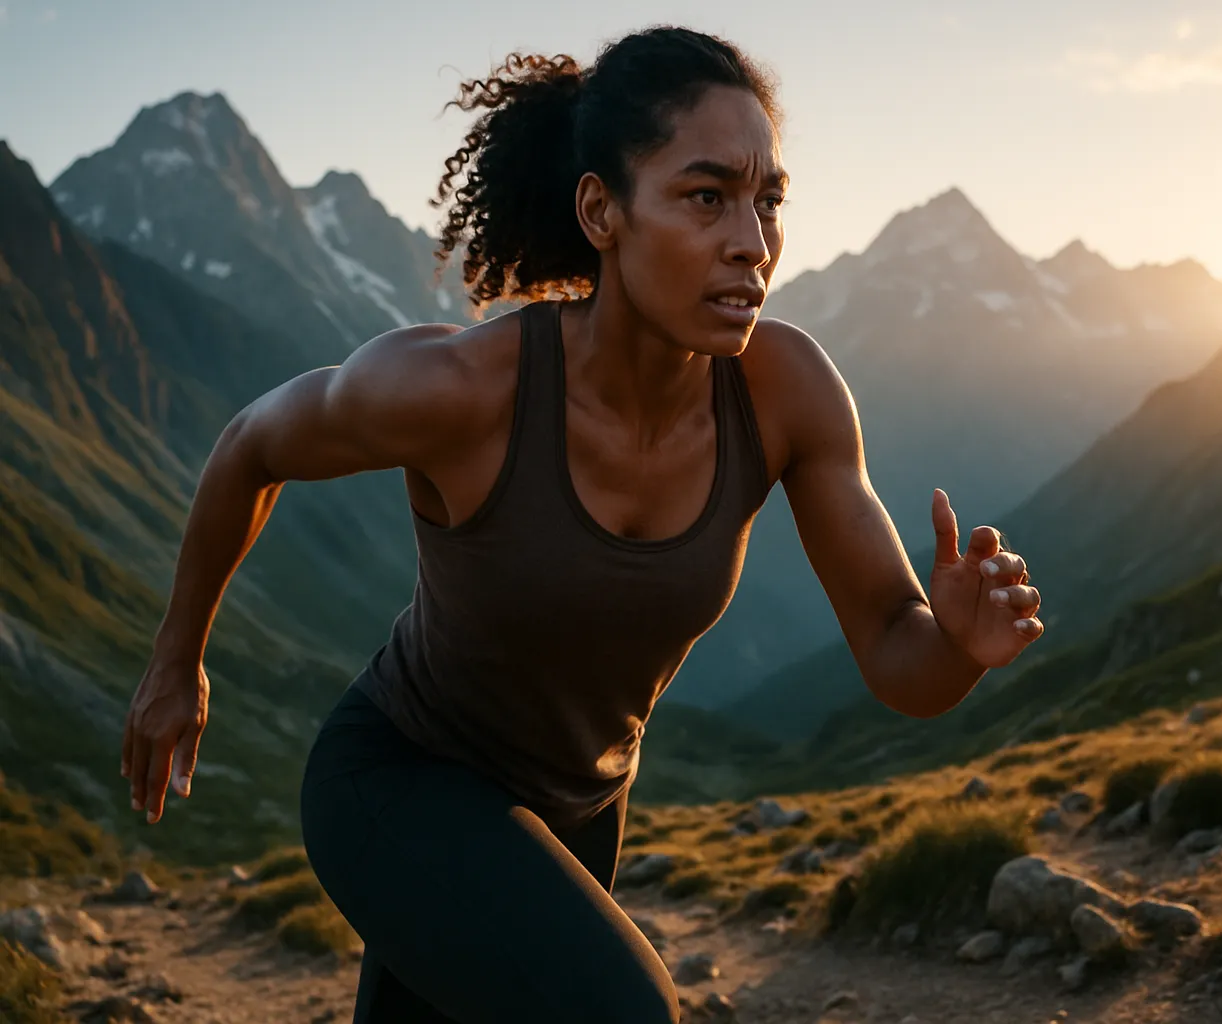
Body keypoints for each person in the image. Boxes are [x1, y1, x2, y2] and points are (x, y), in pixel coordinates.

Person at [119, 25, 1044, 1024]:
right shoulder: (462, 390)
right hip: (397, 780)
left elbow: (895, 654)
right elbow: (251, 445)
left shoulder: (788, 392)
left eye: (768, 198)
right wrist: (178, 660)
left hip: (574, 817)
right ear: (602, 210)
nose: (753, 240)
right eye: (706, 195)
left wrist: (958, 645)